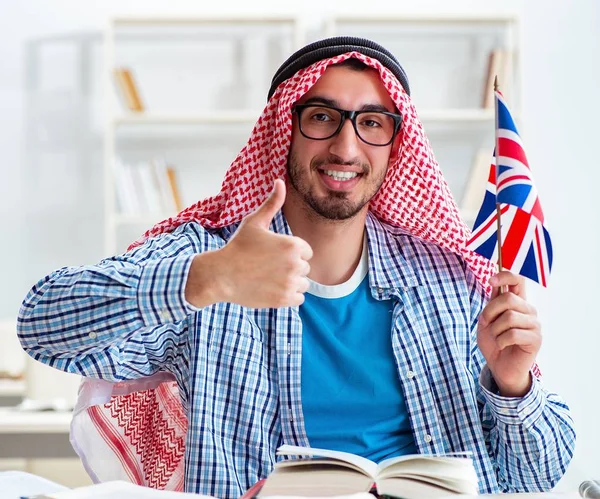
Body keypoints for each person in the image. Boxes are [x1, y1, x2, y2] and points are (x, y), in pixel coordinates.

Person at [17, 37, 575, 498]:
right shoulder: (210, 257)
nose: (346, 146)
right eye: (323, 117)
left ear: (394, 146)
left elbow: (536, 476)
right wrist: (210, 278)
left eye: (372, 123)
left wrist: (513, 382)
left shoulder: (449, 281)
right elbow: (41, 325)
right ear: (285, 129)